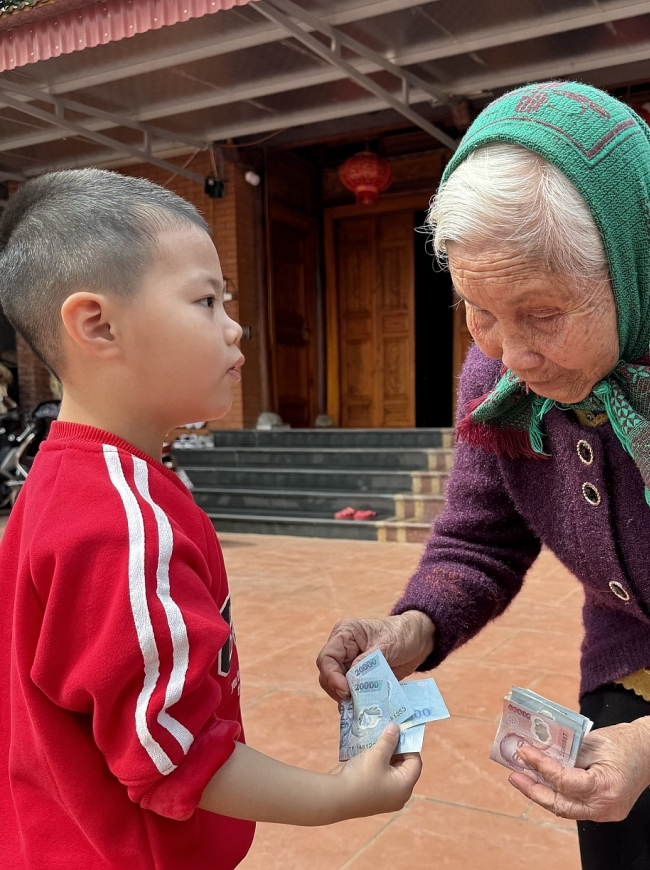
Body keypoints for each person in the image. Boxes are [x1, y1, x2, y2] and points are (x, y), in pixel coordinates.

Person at [317, 81, 650, 870]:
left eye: (542, 313)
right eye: (478, 309)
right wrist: (413, 630)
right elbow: (479, 539)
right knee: (619, 835)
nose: (511, 356)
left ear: (632, 264)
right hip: (643, 628)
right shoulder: (499, 374)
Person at [0, 169, 421, 870]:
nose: (235, 328)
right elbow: (176, 756)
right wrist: (339, 794)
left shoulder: (65, 478)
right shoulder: (123, 525)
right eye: (205, 300)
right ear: (98, 325)